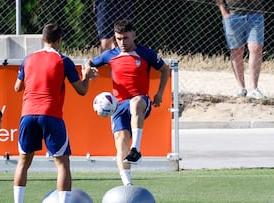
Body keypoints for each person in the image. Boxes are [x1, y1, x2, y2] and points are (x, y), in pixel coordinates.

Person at [13, 23, 94, 203]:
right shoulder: (64, 61)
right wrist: (87, 75)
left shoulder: (28, 59)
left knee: (23, 162)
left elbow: (17, 87)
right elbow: (81, 90)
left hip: (27, 114)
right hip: (50, 113)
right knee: (62, 163)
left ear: (42, 39)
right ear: (59, 40)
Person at [86, 19, 170, 185]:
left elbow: (165, 68)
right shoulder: (110, 54)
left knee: (135, 103)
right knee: (121, 143)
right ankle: (127, 185)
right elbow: (88, 63)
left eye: (125, 38)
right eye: (118, 38)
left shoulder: (146, 53)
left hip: (141, 102)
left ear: (134, 35)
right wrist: (88, 70)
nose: (122, 42)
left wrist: (160, 93)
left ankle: (136, 148)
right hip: (117, 106)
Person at [216, 0, 266, 99]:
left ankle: (254, 89)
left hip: (256, 13)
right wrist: (224, 12)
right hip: (233, 14)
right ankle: (241, 88)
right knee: (236, 50)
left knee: (256, 47)